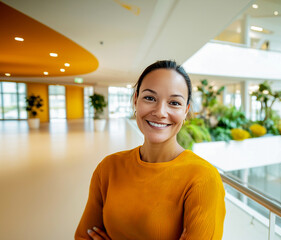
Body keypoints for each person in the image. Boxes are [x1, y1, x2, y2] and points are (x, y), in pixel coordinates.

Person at [75, 60, 226, 240]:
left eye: (174, 103)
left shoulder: (203, 179)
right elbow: (83, 237)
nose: (160, 112)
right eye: (150, 98)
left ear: (186, 111)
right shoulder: (109, 167)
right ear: (135, 100)